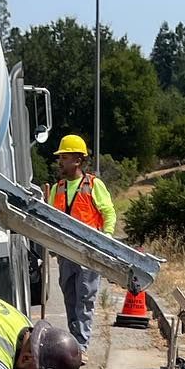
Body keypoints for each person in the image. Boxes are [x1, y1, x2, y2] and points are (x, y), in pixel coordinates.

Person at [46, 133, 116, 352]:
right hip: (66, 252)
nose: (61, 161)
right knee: (70, 297)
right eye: (61, 157)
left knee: (84, 299)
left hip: (88, 253)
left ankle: (81, 346)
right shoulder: (58, 188)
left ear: (78, 159)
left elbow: (108, 212)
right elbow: (48, 218)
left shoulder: (93, 185)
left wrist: (107, 239)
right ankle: (74, 342)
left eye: (65, 157)